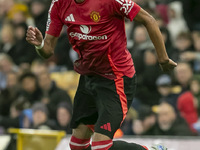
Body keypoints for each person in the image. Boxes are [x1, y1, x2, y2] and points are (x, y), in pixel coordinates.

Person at [26, 0, 177, 150]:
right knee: (77, 145)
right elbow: (47, 51)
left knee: (100, 146)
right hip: (88, 78)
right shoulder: (59, 4)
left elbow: (148, 19)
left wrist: (163, 58)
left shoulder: (110, 1)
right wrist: (39, 44)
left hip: (116, 78)